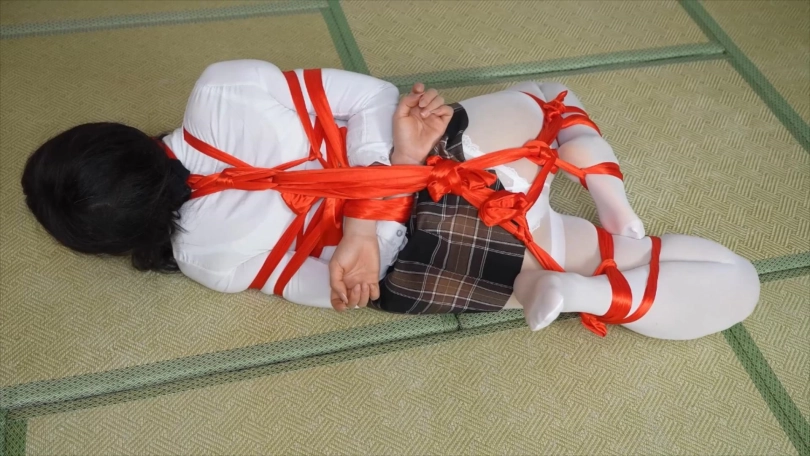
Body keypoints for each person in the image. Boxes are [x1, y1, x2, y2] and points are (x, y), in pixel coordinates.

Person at [22, 60, 760, 341]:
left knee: (733, 288)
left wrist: (362, 233)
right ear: (117, 138)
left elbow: (344, 285)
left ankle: (586, 294)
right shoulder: (221, 90)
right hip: (453, 161)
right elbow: (377, 100)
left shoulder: (200, 257)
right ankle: (611, 199)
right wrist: (387, 183)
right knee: (551, 98)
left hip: (443, 256)